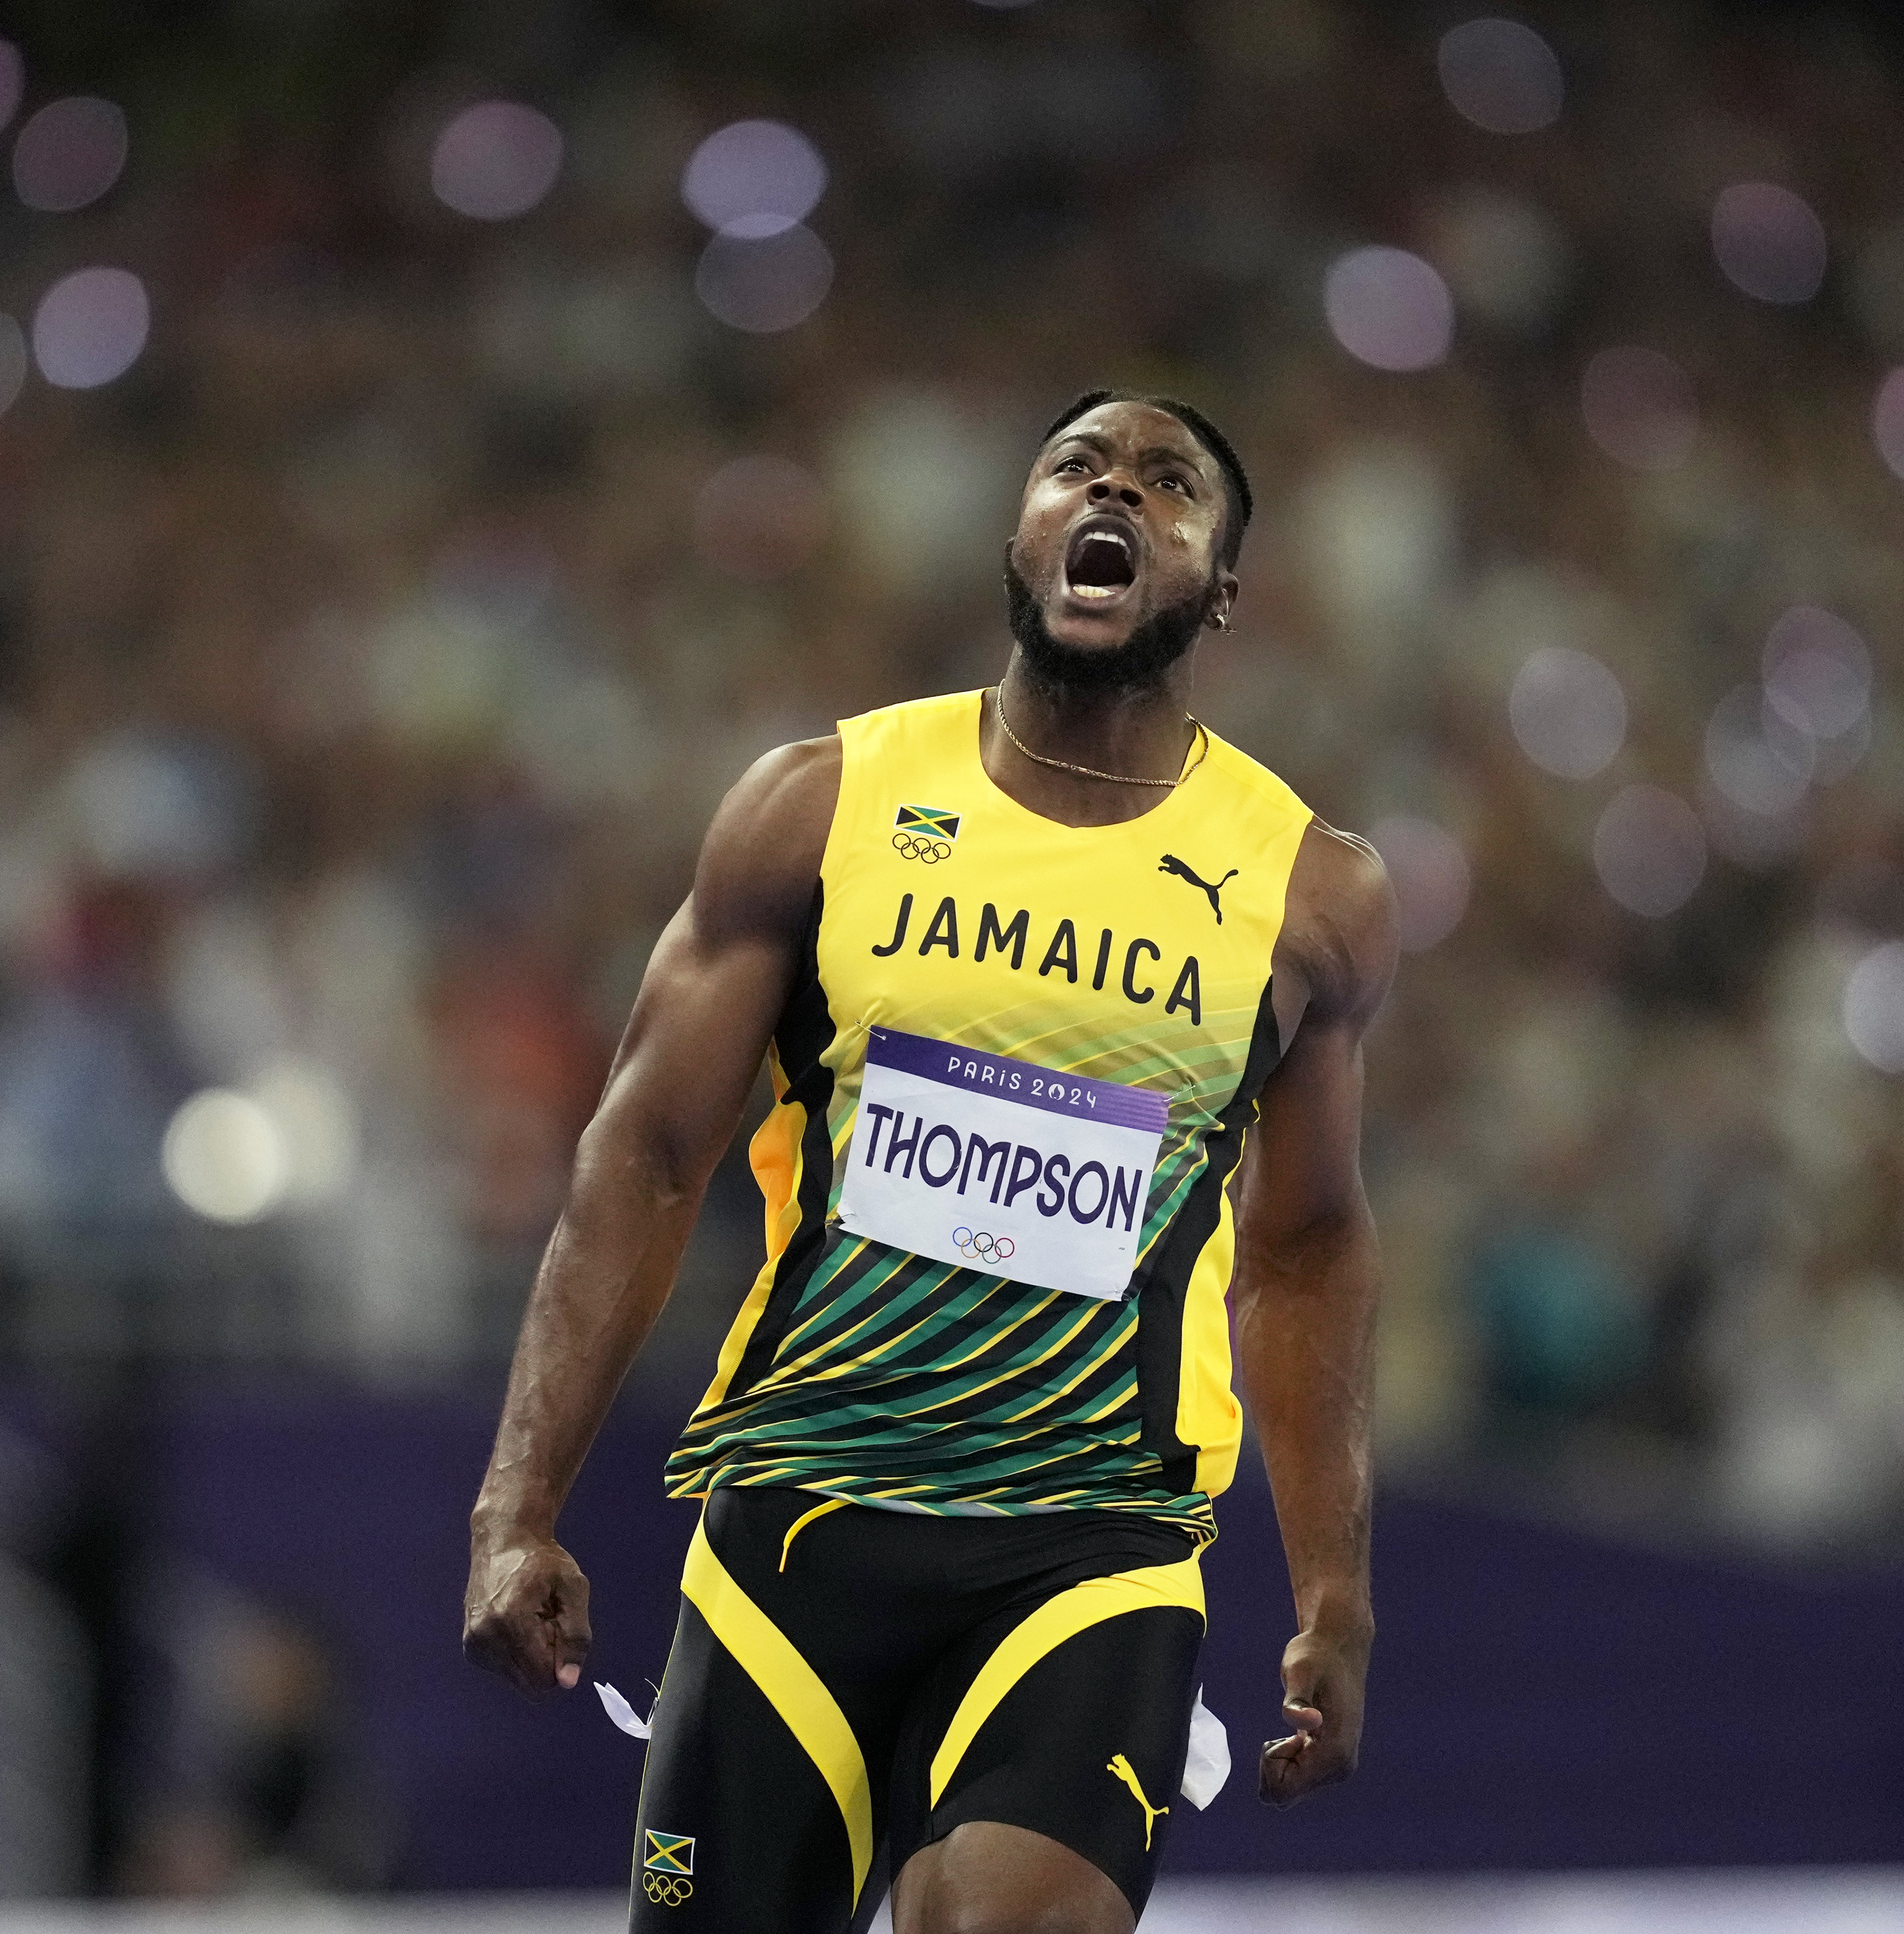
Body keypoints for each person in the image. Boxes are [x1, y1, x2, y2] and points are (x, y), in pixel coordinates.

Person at [462, 391, 1396, 1934]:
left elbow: (1308, 1249)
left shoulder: (1310, 896)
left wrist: (1335, 1597)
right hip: (799, 1532)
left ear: (1220, 586)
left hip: (1093, 1548)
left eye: (1171, 487)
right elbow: (642, 1155)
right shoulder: (820, 806)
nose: (1119, 494)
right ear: (1021, 535)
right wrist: (517, 1502)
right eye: (1079, 468)